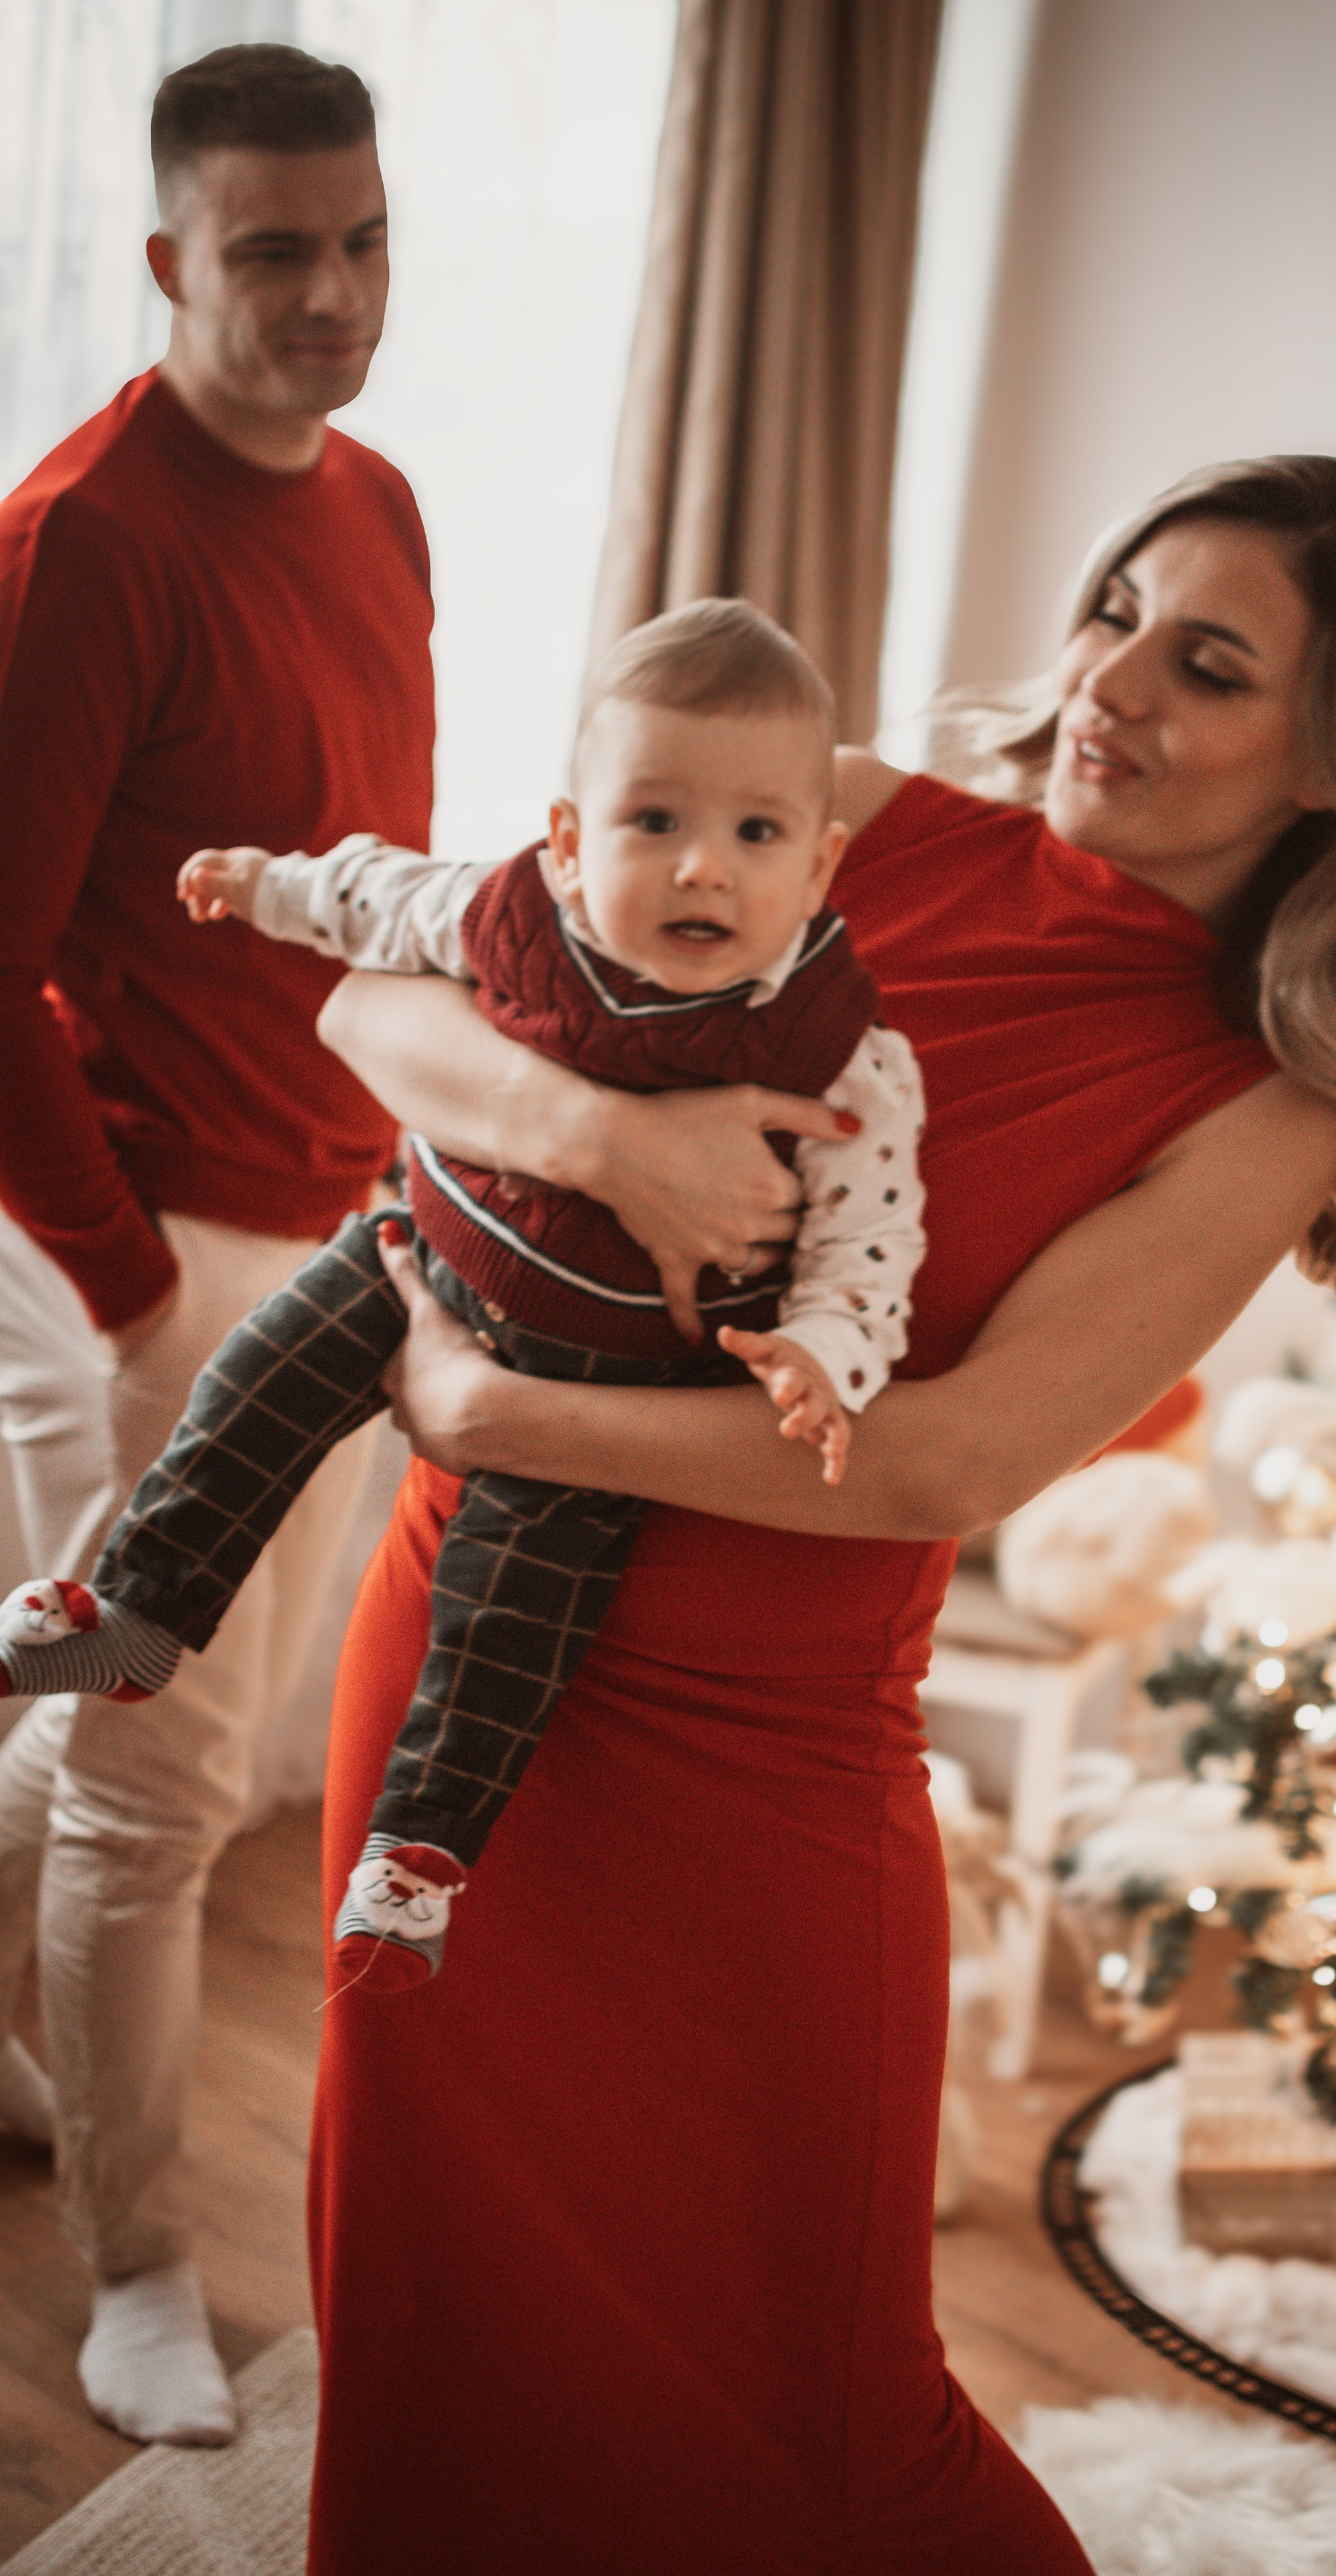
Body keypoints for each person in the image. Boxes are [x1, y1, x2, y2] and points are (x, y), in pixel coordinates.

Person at [307, 458, 1336, 2572]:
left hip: (752, 1776)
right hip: (461, 1646)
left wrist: (495, 1409)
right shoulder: (837, 816)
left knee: (830, 2416)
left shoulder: (1265, 1099)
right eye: (1115, 610)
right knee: (426, 2297)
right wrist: (599, 1136)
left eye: (1209, 666)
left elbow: (949, 1458)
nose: (1110, 681)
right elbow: (370, 994)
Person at [0, 601, 928, 1995]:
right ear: (569, 838)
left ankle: (418, 1858)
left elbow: (873, 1240)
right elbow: (374, 896)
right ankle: (138, 1613)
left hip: (601, 1378)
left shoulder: (844, 1053)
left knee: (512, 1614)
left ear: (819, 864)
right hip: (420, 1258)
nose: (703, 867)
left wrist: (822, 1350)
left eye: (756, 834)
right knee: (254, 1379)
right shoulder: (514, 911)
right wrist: (259, 884)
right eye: (654, 821)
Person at [0, 44, 435, 2444]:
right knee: (160, 1787)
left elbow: (363, 883)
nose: (334, 294)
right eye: (276, 251)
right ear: (170, 259)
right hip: (154, 1233)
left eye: (363, 242)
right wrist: (132, 1284)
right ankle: (142, 2271)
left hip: (343, 1218)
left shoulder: (379, 504)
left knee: (139, 1728)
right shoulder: (82, 543)